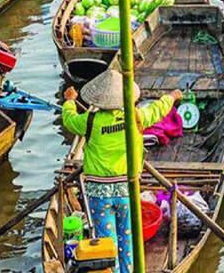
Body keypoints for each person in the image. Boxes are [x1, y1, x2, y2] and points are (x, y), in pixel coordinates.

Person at [62, 71, 181, 273]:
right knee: (127, 239)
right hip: (127, 191)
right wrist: (172, 96)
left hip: (99, 194)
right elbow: (158, 109)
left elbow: (69, 119)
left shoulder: (90, 121)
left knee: (108, 242)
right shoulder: (135, 116)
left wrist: (70, 102)